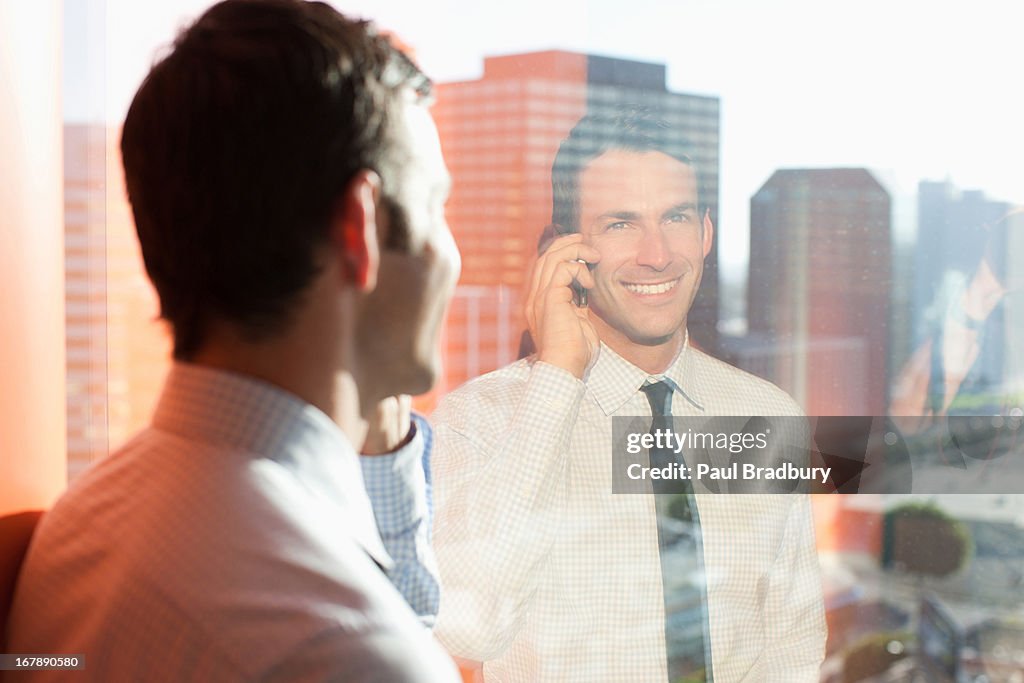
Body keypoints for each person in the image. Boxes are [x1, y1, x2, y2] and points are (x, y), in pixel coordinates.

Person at [8, 1, 460, 681]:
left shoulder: (84, 520)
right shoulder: (345, 648)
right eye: (435, 207)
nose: (451, 256)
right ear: (357, 228)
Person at [430, 108, 826, 681]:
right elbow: (471, 626)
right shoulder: (479, 420)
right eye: (621, 224)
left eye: (677, 218)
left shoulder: (766, 415)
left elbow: (792, 645)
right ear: (563, 251)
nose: (657, 254)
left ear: (707, 233)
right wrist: (560, 374)